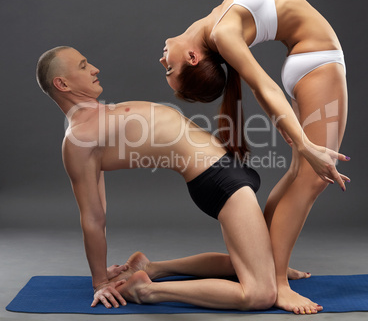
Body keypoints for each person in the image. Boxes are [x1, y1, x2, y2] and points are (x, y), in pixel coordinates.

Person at [36, 46, 282, 312]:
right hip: (218, 179)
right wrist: (99, 283)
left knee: (244, 265)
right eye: (83, 66)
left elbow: (99, 210)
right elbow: (94, 217)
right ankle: (146, 290)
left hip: (225, 170)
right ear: (62, 83)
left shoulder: (101, 115)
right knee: (261, 294)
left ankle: (151, 268)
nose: (95, 69)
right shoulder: (78, 140)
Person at [159, 0, 349, 313]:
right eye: (168, 69)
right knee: (313, 177)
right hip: (318, 62)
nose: (162, 60)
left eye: (167, 70)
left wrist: (282, 122)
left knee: (298, 174)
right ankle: (276, 282)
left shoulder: (216, 27)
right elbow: (263, 85)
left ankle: (271, 263)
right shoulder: (221, 31)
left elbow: (257, 84)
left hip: (307, 61)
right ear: (193, 58)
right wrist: (304, 144)